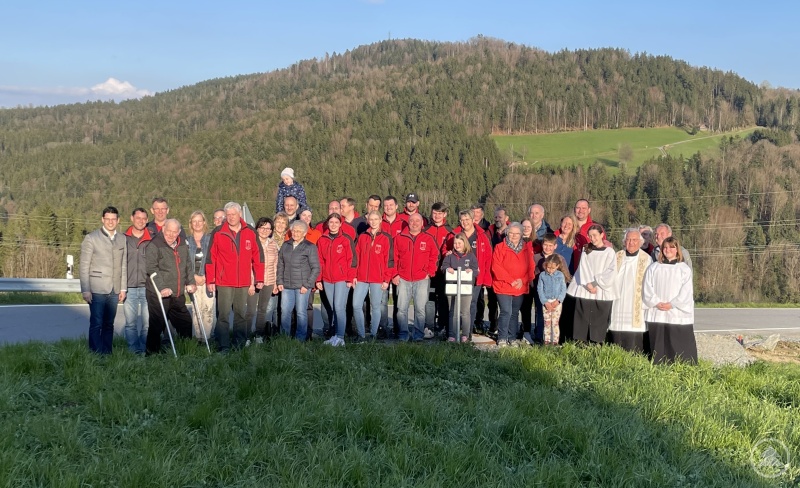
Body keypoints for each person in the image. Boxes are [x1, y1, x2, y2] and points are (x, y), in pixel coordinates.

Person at [206, 201, 265, 352]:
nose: (231, 217)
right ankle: (223, 346)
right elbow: (211, 257)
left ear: (240, 214)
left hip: (243, 281)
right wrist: (211, 279)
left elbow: (258, 256)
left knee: (240, 314)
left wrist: (259, 278)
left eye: (234, 214)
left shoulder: (250, 231)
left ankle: (239, 345)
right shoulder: (218, 232)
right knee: (223, 315)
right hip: (224, 281)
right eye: (228, 215)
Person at [80, 206, 127, 355]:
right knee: (96, 323)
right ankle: (95, 354)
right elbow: (84, 265)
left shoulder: (122, 239)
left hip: (115, 289)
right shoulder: (91, 238)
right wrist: (85, 289)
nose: (110, 222)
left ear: (118, 220)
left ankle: (107, 354)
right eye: (108, 219)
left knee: (109, 324)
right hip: (97, 289)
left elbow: (123, 265)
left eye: (113, 219)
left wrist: (123, 288)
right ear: (102, 219)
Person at [643, 236, 697, 364]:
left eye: (671, 247)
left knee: (678, 343)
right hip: (657, 311)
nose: (668, 250)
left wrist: (672, 304)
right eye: (665, 247)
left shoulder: (684, 269)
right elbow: (647, 287)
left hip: (676, 312)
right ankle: (659, 365)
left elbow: (686, 291)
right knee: (659, 343)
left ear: (677, 250)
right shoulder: (654, 267)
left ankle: (683, 365)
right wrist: (656, 302)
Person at [145, 219, 196, 354]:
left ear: (179, 232)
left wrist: (191, 282)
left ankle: (187, 351)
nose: (171, 235)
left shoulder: (182, 244)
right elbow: (151, 268)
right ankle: (151, 354)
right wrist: (162, 287)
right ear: (163, 229)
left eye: (174, 232)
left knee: (185, 323)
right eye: (168, 231)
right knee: (157, 324)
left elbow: (187, 265)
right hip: (158, 293)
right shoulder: (154, 245)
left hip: (177, 293)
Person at [566, 224, 617, 344]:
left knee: (599, 318)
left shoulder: (609, 252)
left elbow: (611, 271)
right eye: (590, 236)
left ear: (602, 235)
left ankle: (597, 342)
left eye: (595, 235)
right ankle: (580, 342)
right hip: (586, 288)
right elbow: (583, 267)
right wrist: (588, 284)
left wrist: (595, 283)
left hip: (601, 290)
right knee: (582, 316)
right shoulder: (586, 250)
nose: (592, 238)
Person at [393, 213, 438, 341]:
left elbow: (435, 256)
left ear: (422, 223)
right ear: (408, 222)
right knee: (401, 309)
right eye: (412, 220)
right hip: (403, 278)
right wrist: (395, 274)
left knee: (420, 309)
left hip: (422, 278)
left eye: (418, 221)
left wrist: (429, 272)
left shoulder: (428, 238)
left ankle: (418, 335)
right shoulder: (399, 238)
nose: (415, 223)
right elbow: (393, 258)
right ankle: (403, 335)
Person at [608, 229, 653, 353]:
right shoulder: (617, 256)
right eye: (628, 240)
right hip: (618, 303)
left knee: (634, 344)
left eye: (634, 240)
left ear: (640, 242)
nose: (631, 243)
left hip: (636, 306)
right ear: (624, 242)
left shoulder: (647, 259)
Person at [316, 213, 358, 346]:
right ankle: (334, 336)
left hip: (342, 278)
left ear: (340, 224)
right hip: (327, 279)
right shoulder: (322, 240)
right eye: (331, 222)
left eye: (336, 222)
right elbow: (320, 261)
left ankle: (340, 337)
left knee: (339, 307)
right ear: (327, 224)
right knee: (333, 307)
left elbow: (352, 260)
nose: (333, 225)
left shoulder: (345, 239)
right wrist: (318, 279)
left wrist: (350, 278)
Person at [490, 223, 534, 347]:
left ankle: (512, 337)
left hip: (520, 286)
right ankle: (502, 337)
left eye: (517, 233)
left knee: (514, 313)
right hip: (503, 285)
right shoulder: (500, 247)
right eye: (511, 233)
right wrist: (510, 280)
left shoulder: (526, 249)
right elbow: (496, 266)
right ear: (507, 233)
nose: (514, 236)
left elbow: (531, 267)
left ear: (521, 234)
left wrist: (522, 280)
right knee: (506, 311)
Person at [452, 209, 493, 340]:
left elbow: (488, 258)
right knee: (457, 304)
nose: (465, 222)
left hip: (475, 277)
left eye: (467, 219)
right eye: (462, 220)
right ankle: (455, 331)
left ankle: (467, 333)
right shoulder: (455, 234)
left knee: (471, 304)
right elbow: (446, 250)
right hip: (458, 276)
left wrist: (485, 277)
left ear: (473, 220)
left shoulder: (481, 236)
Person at [353, 211, 394, 340]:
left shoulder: (386, 238)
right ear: (368, 221)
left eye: (376, 219)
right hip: (361, 277)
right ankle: (361, 334)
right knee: (356, 305)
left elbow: (389, 260)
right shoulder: (362, 236)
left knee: (376, 306)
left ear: (380, 220)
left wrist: (387, 279)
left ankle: (373, 334)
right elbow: (356, 257)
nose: (373, 221)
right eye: (371, 219)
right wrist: (354, 275)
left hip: (378, 278)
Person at [276, 220, 320, 341]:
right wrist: (279, 281)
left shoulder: (310, 247)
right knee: (285, 311)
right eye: (294, 230)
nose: (295, 233)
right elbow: (280, 264)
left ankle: (300, 339)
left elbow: (316, 268)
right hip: (286, 285)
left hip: (302, 286)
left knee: (301, 312)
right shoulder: (286, 245)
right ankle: (284, 338)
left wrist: (307, 285)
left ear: (304, 233)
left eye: (299, 231)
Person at [123, 207, 153, 354]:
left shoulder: (152, 239)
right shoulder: (123, 238)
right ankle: (133, 351)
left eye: (143, 218)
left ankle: (143, 350)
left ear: (147, 220)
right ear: (132, 218)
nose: (141, 221)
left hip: (148, 287)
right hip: (129, 287)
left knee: (148, 324)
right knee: (130, 324)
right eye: (138, 218)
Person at [245, 217, 280, 343]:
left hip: (269, 281)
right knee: (250, 311)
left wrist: (275, 283)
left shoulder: (273, 244)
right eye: (262, 227)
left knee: (262, 310)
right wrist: (250, 284)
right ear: (257, 228)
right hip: (254, 282)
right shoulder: (252, 243)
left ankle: (258, 335)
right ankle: (246, 336)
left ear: (271, 231)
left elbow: (275, 265)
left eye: (268, 228)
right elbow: (248, 264)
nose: (265, 231)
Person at [440, 232, 478, 343]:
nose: (457, 245)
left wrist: (471, 271)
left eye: (459, 243)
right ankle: (452, 335)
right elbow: (443, 267)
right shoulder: (450, 256)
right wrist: (448, 269)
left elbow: (476, 270)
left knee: (465, 312)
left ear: (464, 243)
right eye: (455, 243)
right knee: (453, 311)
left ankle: (465, 335)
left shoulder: (471, 256)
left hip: (466, 288)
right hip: (452, 287)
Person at [424, 202, 454, 338]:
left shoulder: (450, 231)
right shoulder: (425, 230)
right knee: (429, 300)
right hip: (428, 272)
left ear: (445, 214)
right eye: (434, 213)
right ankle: (428, 326)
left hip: (443, 272)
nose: (436, 216)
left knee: (443, 299)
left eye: (439, 213)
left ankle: (442, 326)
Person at [379, 195, 408, 337]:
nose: (388, 208)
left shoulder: (404, 223)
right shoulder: (379, 222)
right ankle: (383, 328)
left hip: (398, 267)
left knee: (399, 300)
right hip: (382, 267)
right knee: (382, 301)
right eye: (386, 205)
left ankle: (398, 328)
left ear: (396, 206)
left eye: (391, 205)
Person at [187, 210, 214, 345]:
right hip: (193, 280)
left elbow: (214, 259)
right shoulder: (187, 241)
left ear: (204, 222)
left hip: (208, 279)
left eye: (200, 221)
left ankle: (207, 338)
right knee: (196, 309)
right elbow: (184, 261)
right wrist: (193, 277)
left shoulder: (210, 239)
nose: (197, 224)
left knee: (208, 310)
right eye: (194, 221)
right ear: (191, 223)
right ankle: (198, 338)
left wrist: (207, 276)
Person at [537, 254, 570, 345]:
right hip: (546, 302)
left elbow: (563, 289)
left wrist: (558, 300)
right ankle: (546, 341)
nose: (550, 270)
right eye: (548, 267)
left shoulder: (560, 275)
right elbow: (540, 289)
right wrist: (545, 302)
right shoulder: (542, 275)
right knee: (547, 322)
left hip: (557, 302)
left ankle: (555, 341)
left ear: (557, 266)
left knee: (555, 323)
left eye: (552, 268)